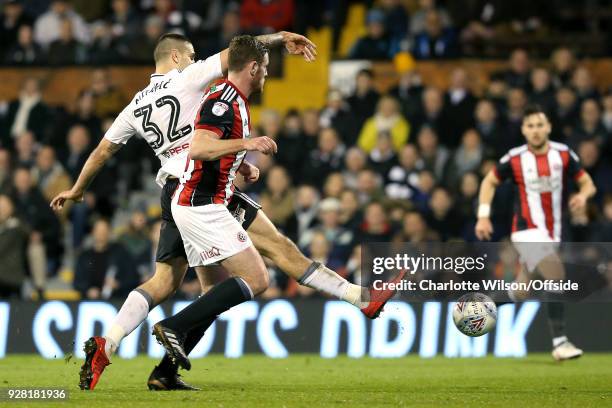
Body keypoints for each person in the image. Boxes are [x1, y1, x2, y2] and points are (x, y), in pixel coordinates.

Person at [51, 31, 400, 391]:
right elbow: (239, 53)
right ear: (174, 57)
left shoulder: (136, 104)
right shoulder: (189, 76)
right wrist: (281, 38)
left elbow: (102, 152)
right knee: (251, 271)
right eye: (190, 54)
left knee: (171, 281)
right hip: (199, 187)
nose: (195, 58)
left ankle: (112, 345)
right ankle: (170, 341)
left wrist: (78, 190)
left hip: (182, 186)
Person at [152, 35, 404, 374]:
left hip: (222, 196)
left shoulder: (233, 99)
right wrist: (249, 143)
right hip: (201, 202)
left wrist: (240, 162)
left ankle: (361, 298)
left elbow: (212, 146)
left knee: (283, 251)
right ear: (253, 68)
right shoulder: (223, 102)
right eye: (266, 68)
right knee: (255, 279)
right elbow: (198, 148)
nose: (267, 74)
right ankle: (175, 326)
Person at [475, 105, 597, 361]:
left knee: (521, 291)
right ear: (523, 130)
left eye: (540, 125)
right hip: (525, 230)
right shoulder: (515, 157)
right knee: (556, 274)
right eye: (530, 126)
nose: (535, 131)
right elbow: (489, 181)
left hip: (552, 232)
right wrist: (483, 215)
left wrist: (582, 196)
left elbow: (587, 183)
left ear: (549, 127)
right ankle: (560, 342)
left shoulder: (563, 155)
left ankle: (479, 307)